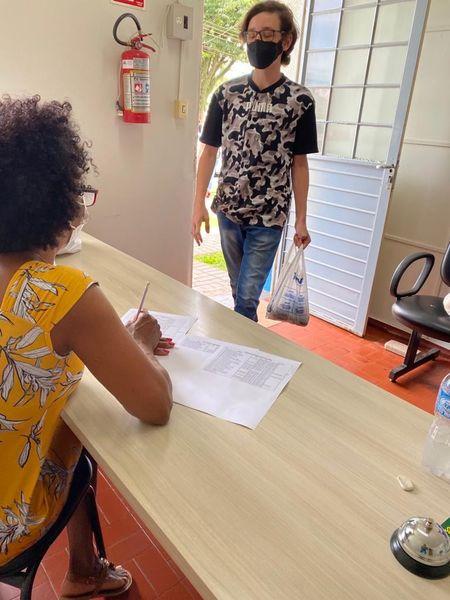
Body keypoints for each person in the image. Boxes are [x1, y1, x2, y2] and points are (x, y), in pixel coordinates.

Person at [0, 95, 174, 598]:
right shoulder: (60, 293)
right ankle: (84, 570)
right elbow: (154, 405)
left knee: (66, 426)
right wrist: (139, 341)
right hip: (6, 523)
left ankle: (83, 568)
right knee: (77, 445)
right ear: (60, 204)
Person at [192, 1, 318, 322]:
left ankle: (239, 345)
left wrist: (301, 219)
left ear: (285, 41)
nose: (257, 40)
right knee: (239, 292)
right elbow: (209, 151)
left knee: (247, 299)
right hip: (229, 210)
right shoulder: (226, 93)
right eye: (251, 34)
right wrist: (198, 204)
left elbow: (299, 163)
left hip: (269, 215)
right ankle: (244, 343)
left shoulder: (300, 101)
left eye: (267, 33)